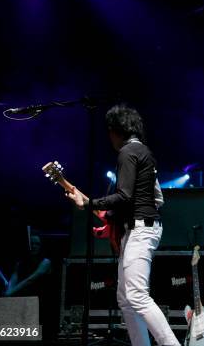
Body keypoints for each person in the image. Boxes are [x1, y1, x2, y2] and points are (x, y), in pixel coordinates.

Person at [66, 104, 179, 346]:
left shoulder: (128, 153)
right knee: (126, 299)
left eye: (110, 131)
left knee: (136, 295)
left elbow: (125, 195)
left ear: (116, 130)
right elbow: (154, 198)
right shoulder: (143, 152)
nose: (109, 137)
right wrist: (109, 217)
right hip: (137, 228)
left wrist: (89, 203)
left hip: (141, 229)